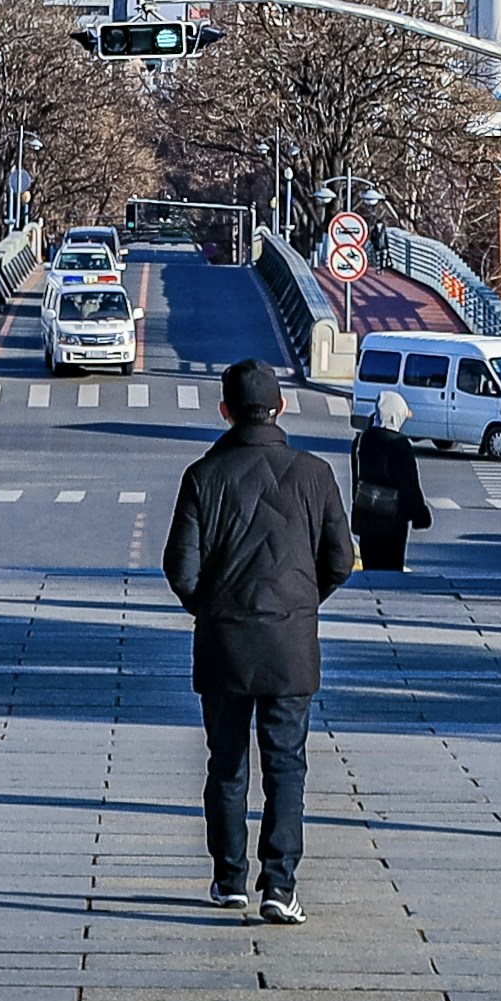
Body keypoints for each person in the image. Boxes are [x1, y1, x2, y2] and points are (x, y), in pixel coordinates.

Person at [160, 354, 352, 921]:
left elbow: (180, 568)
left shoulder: (202, 476)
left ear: (225, 411)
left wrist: (212, 609)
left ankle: (229, 879)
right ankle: (280, 885)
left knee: (226, 762)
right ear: (280, 408)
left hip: (224, 641)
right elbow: (339, 561)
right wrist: (299, 603)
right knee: (286, 762)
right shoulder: (315, 474)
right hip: (291, 642)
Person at [348, 387, 426, 573]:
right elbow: (409, 485)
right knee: (391, 570)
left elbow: (356, 480)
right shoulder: (399, 445)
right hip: (393, 521)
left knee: (371, 569)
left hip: (366, 515)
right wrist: (419, 514)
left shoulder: (361, 440)